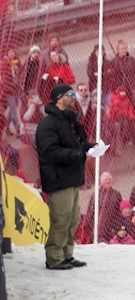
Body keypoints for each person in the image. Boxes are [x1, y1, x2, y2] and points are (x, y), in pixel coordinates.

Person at [36, 83, 95, 269]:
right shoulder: (48, 125)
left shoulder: (70, 121)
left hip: (72, 178)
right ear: (59, 98)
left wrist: (89, 147)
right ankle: (54, 258)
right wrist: (77, 155)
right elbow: (50, 151)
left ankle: (66, 254)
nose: (73, 96)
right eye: (70, 93)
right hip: (58, 180)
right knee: (60, 220)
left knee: (71, 220)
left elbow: (77, 144)